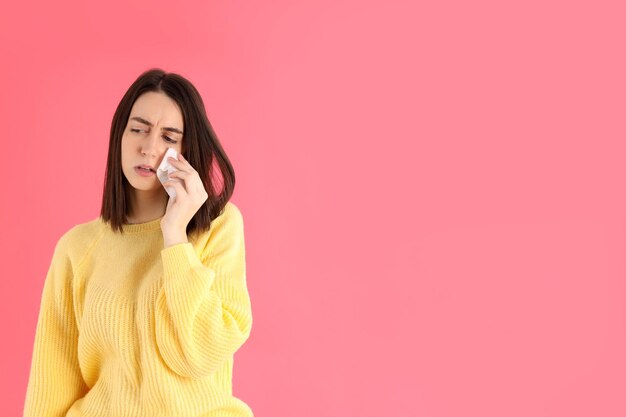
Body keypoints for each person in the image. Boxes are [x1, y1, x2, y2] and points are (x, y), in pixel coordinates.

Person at [23, 68, 254, 417]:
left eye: (169, 137)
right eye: (139, 129)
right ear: (119, 135)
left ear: (187, 150)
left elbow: (199, 354)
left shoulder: (217, 229)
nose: (149, 148)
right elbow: (51, 385)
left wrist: (175, 236)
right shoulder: (77, 248)